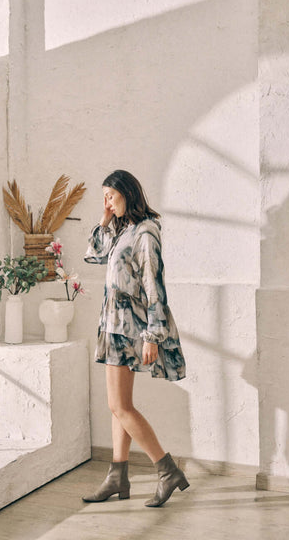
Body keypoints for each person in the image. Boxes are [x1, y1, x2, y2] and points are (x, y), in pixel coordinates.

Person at [82, 169, 189, 507]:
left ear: (128, 193)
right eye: (104, 197)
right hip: (111, 325)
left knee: (119, 406)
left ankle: (166, 469)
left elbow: (153, 285)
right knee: (119, 407)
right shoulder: (121, 229)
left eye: (111, 196)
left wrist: (153, 335)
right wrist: (105, 219)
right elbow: (94, 254)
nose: (107, 202)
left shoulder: (145, 232)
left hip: (130, 327)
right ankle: (118, 477)